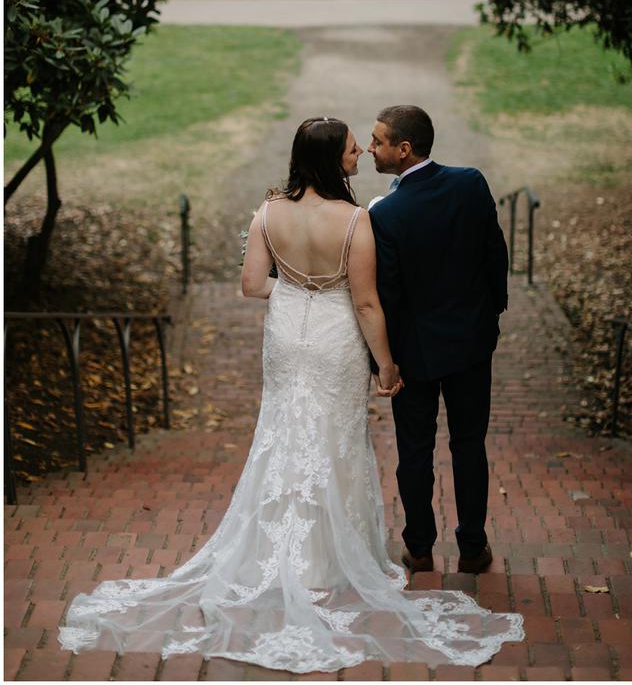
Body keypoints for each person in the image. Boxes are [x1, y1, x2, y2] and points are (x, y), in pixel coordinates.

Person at [58, 117, 524, 672]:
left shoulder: (269, 211)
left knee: (282, 434)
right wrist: (384, 361)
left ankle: (303, 552)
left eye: (367, 145)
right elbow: (369, 302)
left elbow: (252, 285)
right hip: (340, 338)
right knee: (341, 439)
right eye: (354, 148)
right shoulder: (357, 219)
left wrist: (301, 291)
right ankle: (342, 558)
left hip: (288, 335)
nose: (361, 154)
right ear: (334, 161)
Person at [367, 105, 510, 576]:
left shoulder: (386, 213)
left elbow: (385, 292)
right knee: (470, 444)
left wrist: (383, 360)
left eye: (378, 141)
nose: (371, 148)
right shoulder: (471, 183)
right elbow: (495, 254)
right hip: (471, 344)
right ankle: (473, 548)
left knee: (415, 450)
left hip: (416, 353)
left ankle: (420, 548)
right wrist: (490, 315)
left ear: (403, 150)